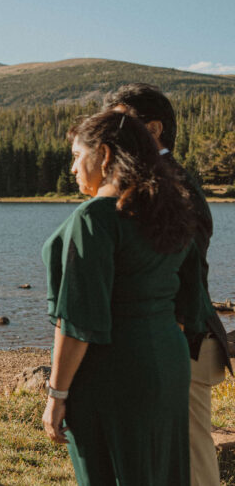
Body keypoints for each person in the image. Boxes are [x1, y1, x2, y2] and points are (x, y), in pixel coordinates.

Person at [41, 111, 199, 485]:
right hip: (168, 361)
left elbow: (78, 322)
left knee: (109, 473)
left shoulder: (95, 217)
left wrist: (56, 393)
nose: (73, 168)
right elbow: (188, 302)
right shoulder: (173, 211)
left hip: (112, 370)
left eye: (78, 156)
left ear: (105, 155)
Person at [104, 83, 229, 486]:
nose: (112, 132)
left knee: (192, 457)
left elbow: (187, 269)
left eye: (122, 122)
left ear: (153, 129)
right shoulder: (155, 178)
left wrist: (172, 332)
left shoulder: (170, 183)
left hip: (183, 341)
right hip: (170, 340)